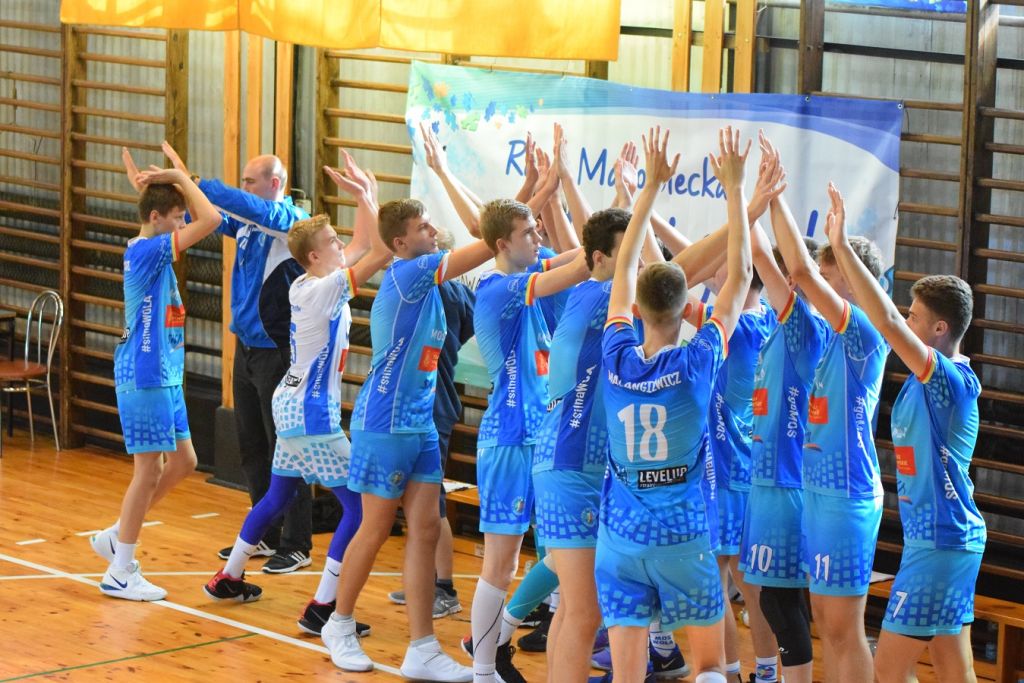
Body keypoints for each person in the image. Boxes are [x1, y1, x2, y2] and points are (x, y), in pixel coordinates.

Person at [202, 157, 390, 638]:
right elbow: (382, 250)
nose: (340, 245)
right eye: (332, 242)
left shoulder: (313, 280)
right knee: (360, 509)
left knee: (278, 493)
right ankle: (323, 605)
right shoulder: (325, 290)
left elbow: (363, 243)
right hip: (312, 413)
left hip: (290, 403)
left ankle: (230, 575)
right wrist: (368, 199)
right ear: (313, 256)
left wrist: (364, 195)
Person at [321, 178, 493, 680]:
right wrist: (532, 194)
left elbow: (493, 241)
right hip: (385, 423)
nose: (433, 231)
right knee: (375, 528)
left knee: (425, 529)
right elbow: (491, 240)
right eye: (423, 227)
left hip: (420, 424)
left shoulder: (434, 288)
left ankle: (422, 648)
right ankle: (338, 623)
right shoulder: (410, 273)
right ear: (400, 243)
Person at [597, 125, 751, 683]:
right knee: (709, 666)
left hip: (621, 538)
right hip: (683, 535)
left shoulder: (616, 356)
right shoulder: (698, 361)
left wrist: (648, 187)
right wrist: (735, 189)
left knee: (627, 674)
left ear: (636, 309)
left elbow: (623, 269)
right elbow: (742, 277)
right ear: (688, 308)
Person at [820, 184, 985, 683]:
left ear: (938, 330)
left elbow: (887, 321)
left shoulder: (947, 380)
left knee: (888, 672)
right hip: (943, 541)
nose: (904, 319)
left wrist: (842, 247)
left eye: (915, 315)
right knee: (954, 666)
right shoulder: (926, 378)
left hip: (940, 542)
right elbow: (890, 319)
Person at [766, 136, 889, 683]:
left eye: (828, 272)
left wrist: (774, 197)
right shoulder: (829, 336)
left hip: (846, 495)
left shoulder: (863, 330)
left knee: (842, 630)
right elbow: (793, 270)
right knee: (825, 623)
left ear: (850, 278)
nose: (813, 283)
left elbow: (798, 267)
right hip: (820, 490)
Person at [162, 144, 315, 574]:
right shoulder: (249, 224)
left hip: (277, 354)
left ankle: (297, 543)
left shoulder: (290, 222)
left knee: (285, 446)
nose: (243, 187)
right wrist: (177, 191)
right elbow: (211, 215)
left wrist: (193, 180)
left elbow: (247, 207)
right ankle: (265, 531)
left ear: (274, 184)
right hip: (246, 351)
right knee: (252, 447)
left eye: (250, 181)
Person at [466, 195, 590, 683]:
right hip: (509, 440)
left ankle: (499, 636)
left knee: (565, 553)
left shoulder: (531, 275)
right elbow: (585, 263)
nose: (538, 240)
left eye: (538, 231)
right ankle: (482, 669)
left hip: (542, 440)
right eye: (528, 234)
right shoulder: (500, 287)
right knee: (501, 563)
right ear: (502, 244)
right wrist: (627, 218)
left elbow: (577, 255)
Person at [91, 153, 222, 600]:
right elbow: (211, 219)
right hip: (145, 372)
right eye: (176, 217)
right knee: (148, 470)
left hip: (166, 373)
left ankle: (117, 534)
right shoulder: (148, 250)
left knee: (184, 462)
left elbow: (177, 216)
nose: (183, 224)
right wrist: (179, 177)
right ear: (156, 218)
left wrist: (161, 188)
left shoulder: (151, 244)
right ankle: (120, 570)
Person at [740, 138, 824, 683]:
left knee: (779, 603)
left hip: (785, 482)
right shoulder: (778, 328)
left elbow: (762, 259)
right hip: (769, 479)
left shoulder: (804, 329)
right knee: (774, 599)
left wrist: (758, 199)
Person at [387, 226, 475, 620]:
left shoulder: (435, 289)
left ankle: (445, 588)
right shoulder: (456, 293)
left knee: (431, 501)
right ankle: (424, 581)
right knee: (420, 501)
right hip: (431, 402)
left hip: (432, 404)